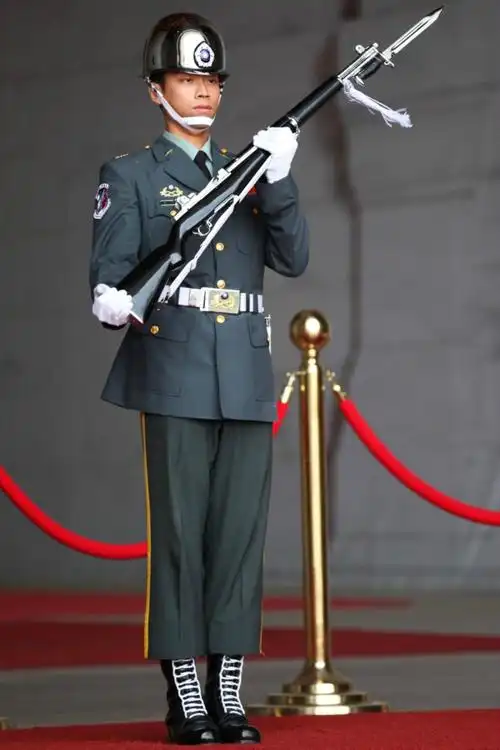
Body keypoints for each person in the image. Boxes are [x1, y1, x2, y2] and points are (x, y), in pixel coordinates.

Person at [89, 12, 309, 746]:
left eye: (211, 79)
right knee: (182, 537)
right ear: (156, 91)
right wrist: (107, 296)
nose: (204, 92)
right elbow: (113, 276)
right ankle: (186, 693)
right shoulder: (130, 175)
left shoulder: (248, 171)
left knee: (239, 539)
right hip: (174, 371)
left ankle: (227, 691)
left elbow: (294, 258)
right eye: (186, 79)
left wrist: (280, 180)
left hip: (244, 371)